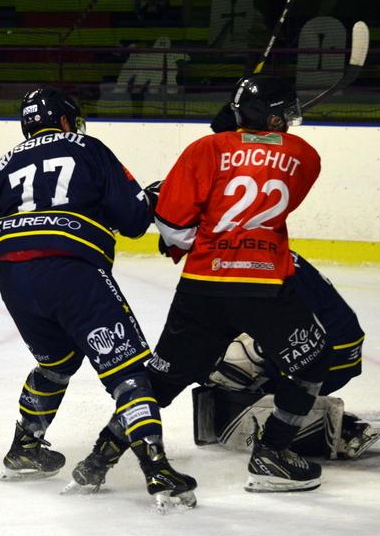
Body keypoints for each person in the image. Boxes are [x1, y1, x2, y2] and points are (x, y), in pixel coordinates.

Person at [69, 74, 331, 494]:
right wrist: (239, 136)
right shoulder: (306, 156)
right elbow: (266, 167)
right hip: (265, 285)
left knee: (164, 380)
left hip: (204, 285)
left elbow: (174, 225)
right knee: (314, 362)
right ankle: (273, 454)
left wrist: (224, 141)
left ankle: (99, 458)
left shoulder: (206, 149)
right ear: (275, 118)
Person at [0, 85, 197, 509]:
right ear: (67, 120)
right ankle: (157, 469)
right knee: (129, 370)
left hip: (15, 280)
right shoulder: (87, 147)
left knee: (56, 361)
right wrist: (155, 195)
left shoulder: (1, 166)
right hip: (72, 272)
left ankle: (25, 447)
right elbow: (131, 219)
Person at [195, 249, 380, 460]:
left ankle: (323, 429)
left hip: (329, 352)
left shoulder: (249, 262)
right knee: (236, 353)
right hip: (338, 346)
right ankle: (323, 420)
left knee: (238, 358)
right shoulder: (260, 249)